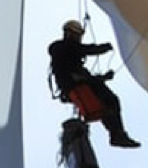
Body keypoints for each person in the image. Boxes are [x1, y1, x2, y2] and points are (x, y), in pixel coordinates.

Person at [48, 20, 140, 148]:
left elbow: (87, 75)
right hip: (75, 83)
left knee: (107, 105)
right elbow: (85, 50)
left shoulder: (67, 52)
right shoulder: (62, 47)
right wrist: (103, 48)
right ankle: (117, 135)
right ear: (69, 33)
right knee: (110, 99)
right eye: (77, 35)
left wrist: (104, 77)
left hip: (77, 83)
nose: (79, 38)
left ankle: (116, 134)